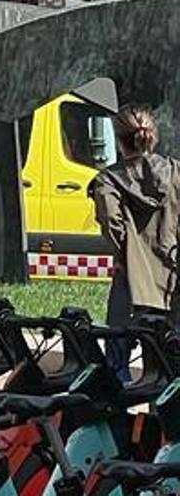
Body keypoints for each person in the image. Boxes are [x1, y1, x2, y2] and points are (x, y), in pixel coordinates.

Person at [89, 105, 180, 382]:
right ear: (152, 137)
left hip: (132, 280)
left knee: (118, 354)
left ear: (119, 140)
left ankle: (122, 418)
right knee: (167, 361)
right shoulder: (175, 171)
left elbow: (110, 221)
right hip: (173, 279)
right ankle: (164, 419)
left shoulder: (109, 179)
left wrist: (124, 253)